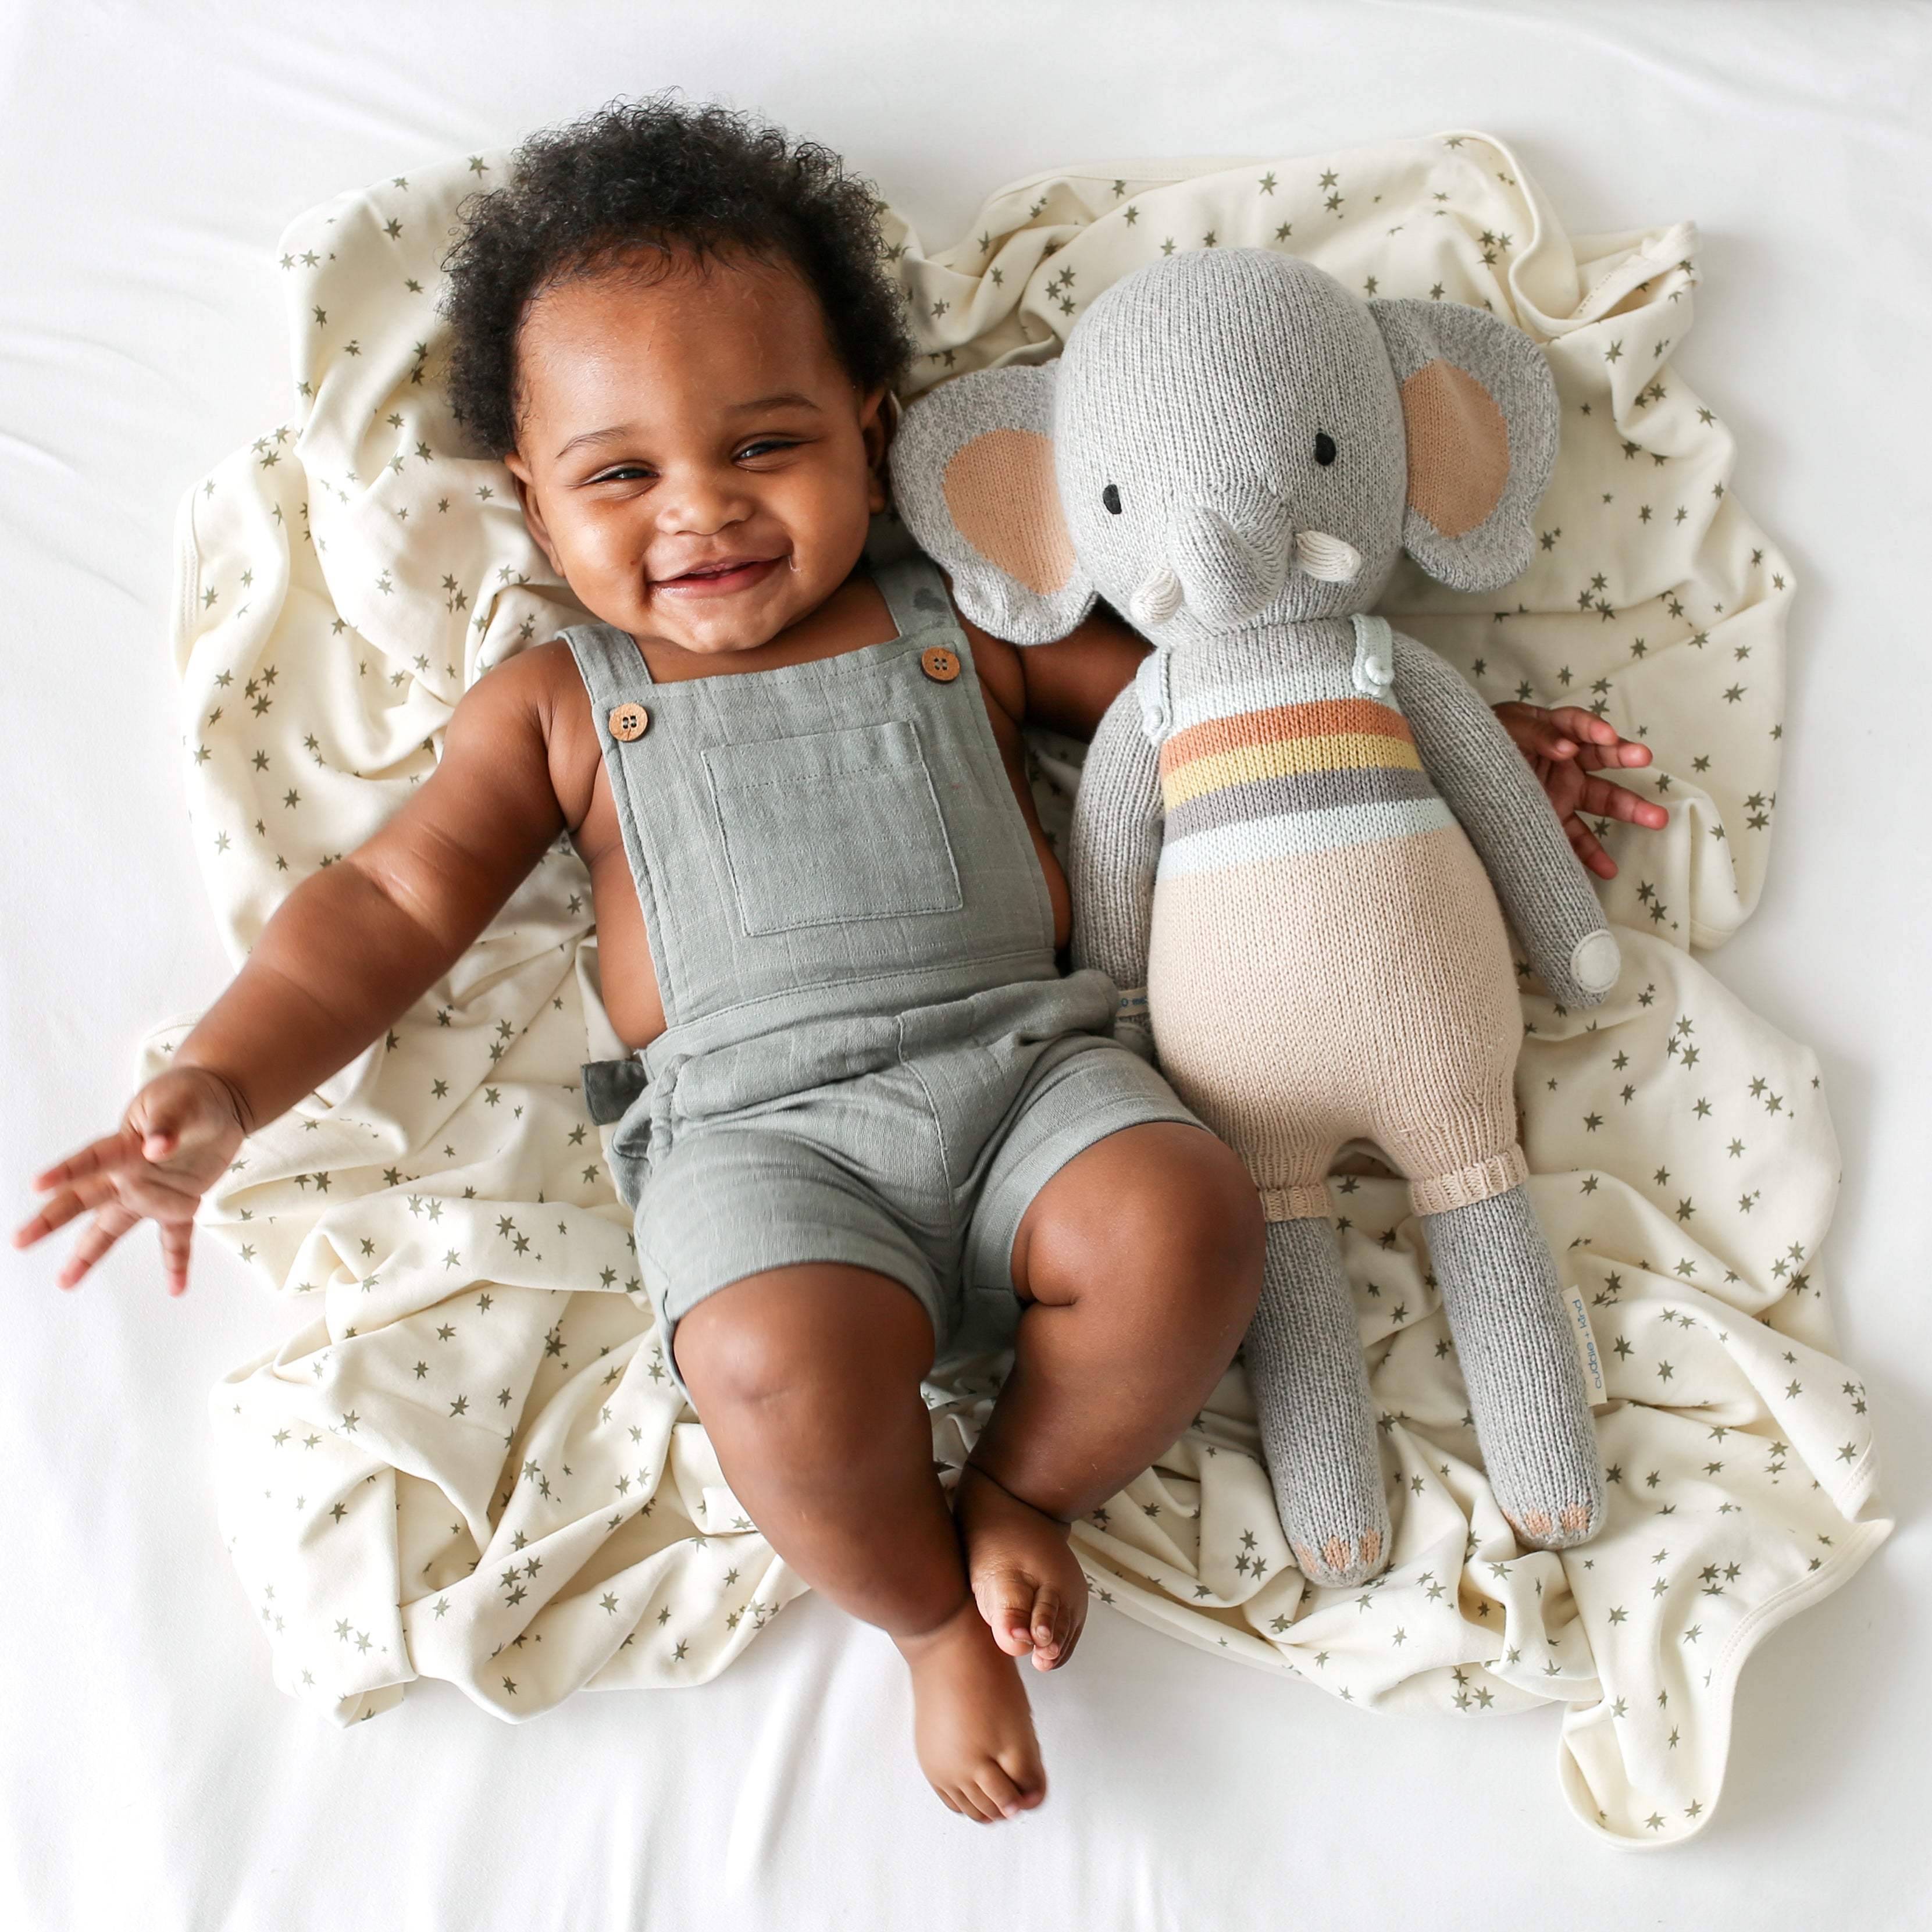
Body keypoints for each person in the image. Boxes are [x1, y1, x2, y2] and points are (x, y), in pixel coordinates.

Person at [12, 99, 1666, 1823]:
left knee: (1189, 1220)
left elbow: (1240, 692)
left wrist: (1463, 745)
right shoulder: (560, 704)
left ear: (875, 433)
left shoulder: (960, 608)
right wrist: (223, 1078)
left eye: (765, 444)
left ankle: (1022, 1485)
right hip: (760, 1144)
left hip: (1033, 1077)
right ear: (529, 500)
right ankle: (923, 1613)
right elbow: (387, 906)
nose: (703, 513)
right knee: (766, 1370)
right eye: (620, 474)